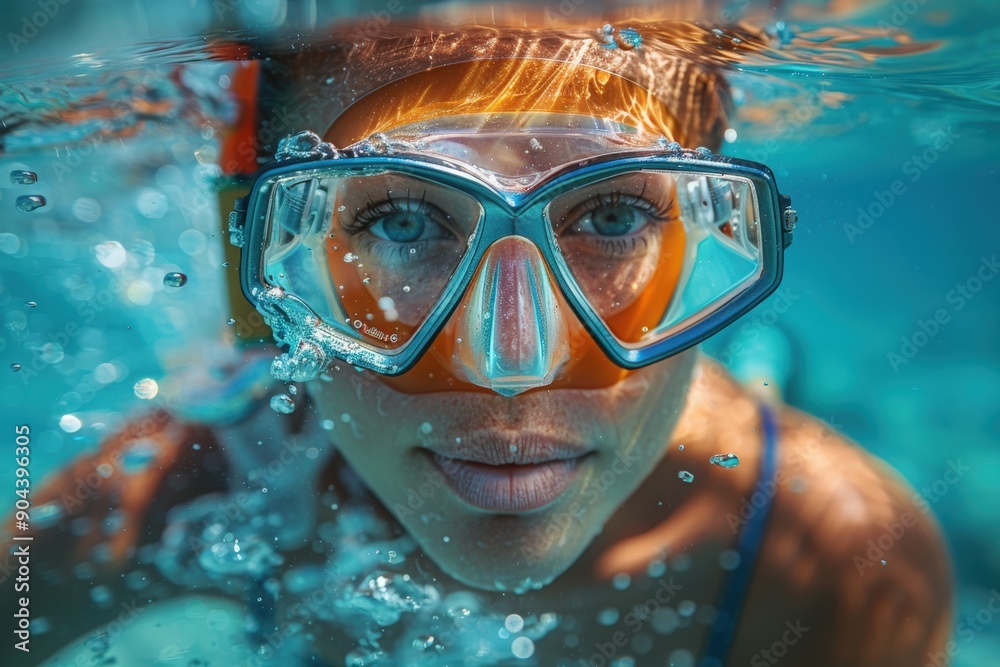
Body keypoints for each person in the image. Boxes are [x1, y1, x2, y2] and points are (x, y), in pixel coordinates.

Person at [3, 14, 951, 667]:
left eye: (613, 216)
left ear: (710, 240)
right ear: (259, 263)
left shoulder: (834, 555)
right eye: (402, 223)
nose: (512, 367)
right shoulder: (211, 484)